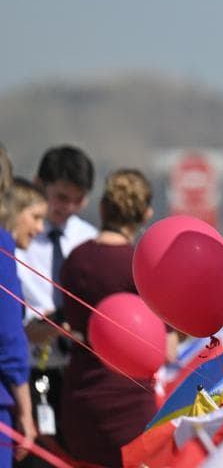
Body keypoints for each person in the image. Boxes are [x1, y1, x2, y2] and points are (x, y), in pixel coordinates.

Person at [57, 169, 156, 468]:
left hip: (78, 398)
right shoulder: (140, 267)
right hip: (130, 404)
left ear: (102, 207)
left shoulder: (75, 259)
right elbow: (167, 349)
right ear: (146, 214)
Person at [16, 145, 97, 437]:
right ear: (40, 185)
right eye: (62, 198)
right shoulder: (19, 240)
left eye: (78, 200)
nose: (69, 208)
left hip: (77, 371)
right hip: (28, 368)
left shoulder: (89, 239)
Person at [0, 177, 44, 465]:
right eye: (35, 217)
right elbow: (8, 337)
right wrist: (26, 413)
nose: (39, 228)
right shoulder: (3, 247)